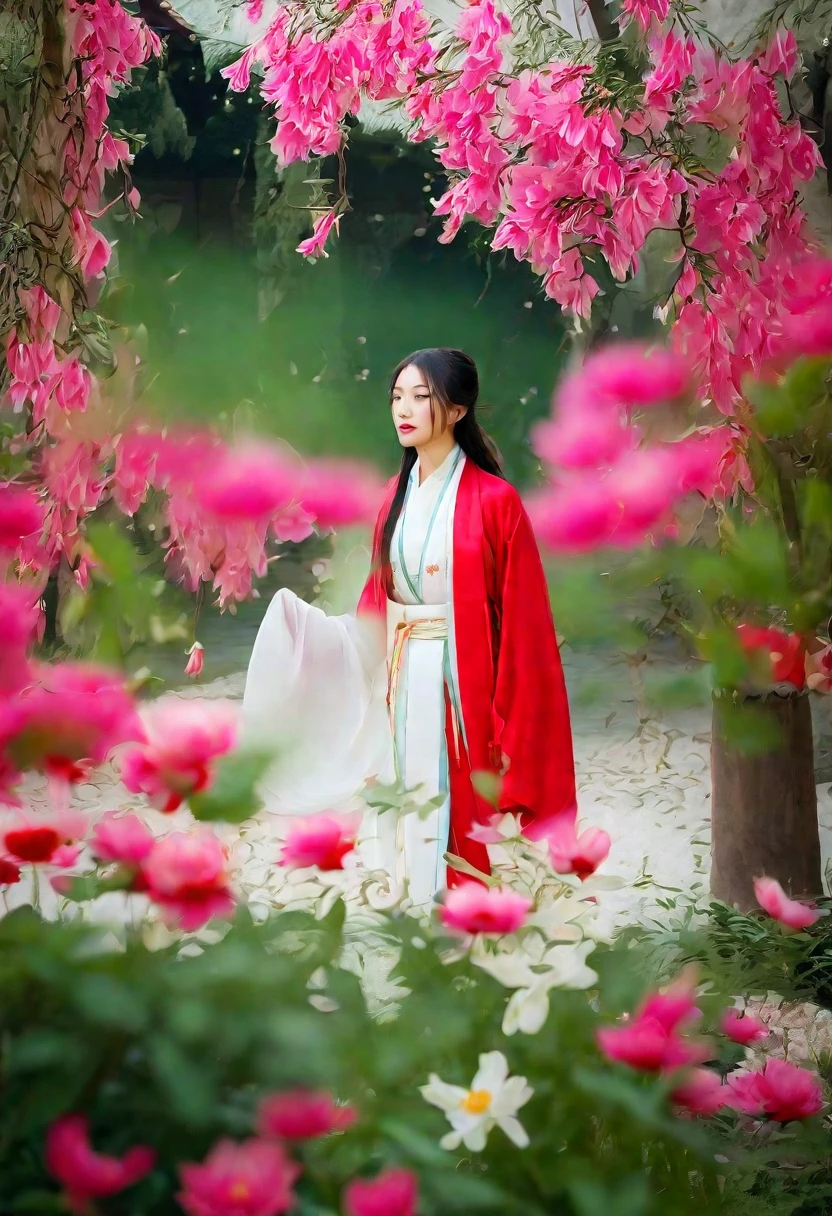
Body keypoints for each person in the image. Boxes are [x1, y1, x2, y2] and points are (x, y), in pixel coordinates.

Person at [243, 348, 576, 905]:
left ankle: (468, 916)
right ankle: (420, 915)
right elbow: (376, 605)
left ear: (459, 409)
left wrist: (511, 715)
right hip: (402, 677)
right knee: (408, 802)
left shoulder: (497, 503)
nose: (405, 408)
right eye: (398, 396)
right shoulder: (393, 501)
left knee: (463, 803)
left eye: (422, 396)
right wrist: (309, 634)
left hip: (463, 680)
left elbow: (524, 626)